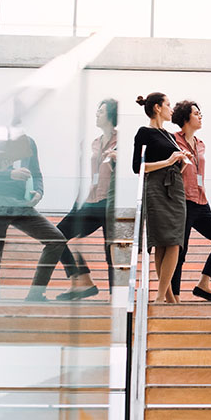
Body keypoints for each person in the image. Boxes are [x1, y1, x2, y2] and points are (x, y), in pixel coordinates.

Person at [0, 124, 89, 302]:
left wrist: (38, 192)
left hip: (21, 205)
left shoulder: (29, 143)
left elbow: (37, 174)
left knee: (56, 240)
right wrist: (10, 174)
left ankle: (35, 294)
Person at [54, 98, 118, 301]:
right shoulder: (95, 142)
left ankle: (114, 296)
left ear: (110, 116)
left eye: (100, 112)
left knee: (111, 250)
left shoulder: (122, 141)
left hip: (110, 203)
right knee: (56, 236)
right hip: (90, 201)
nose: (96, 115)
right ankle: (82, 280)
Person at [132, 92, 191, 304]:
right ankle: (162, 297)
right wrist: (169, 161)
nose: (171, 109)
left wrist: (181, 161)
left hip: (175, 187)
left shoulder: (168, 134)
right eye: (167, 104)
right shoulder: (144, 132)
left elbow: (173, 161)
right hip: (156, 187)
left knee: (175, 241)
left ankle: (165, 297)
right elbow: (137, 167)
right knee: (161, 242)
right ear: (157, 107)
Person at [171, 100, 211, 302]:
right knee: (179, 251)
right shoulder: (172, 140)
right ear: (185, 118)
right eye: (196, 113)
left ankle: (204, 283)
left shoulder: (201, 144)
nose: (200, 116)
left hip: (202, 202)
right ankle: (174, 297)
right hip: (182, 202)